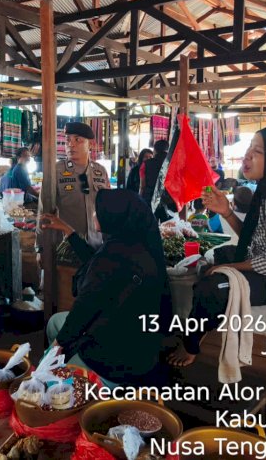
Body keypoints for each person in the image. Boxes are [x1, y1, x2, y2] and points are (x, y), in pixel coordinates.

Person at [167, 125, 266, 367]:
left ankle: (191, 344)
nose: (247, 156)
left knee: (211, 287)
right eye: (249, 148)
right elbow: (256, 240)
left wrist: (231, 269)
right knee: (220, 255)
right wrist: (227, 212)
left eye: (258, 151)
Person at [41, 189, 171, 386]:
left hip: (113, 364)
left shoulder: (111, 259)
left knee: (47, 382)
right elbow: (94, 262)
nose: (94, 214)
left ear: (113, 216)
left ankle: (83, 386)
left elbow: (82, 311)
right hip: (140, 350)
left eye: (97, 210)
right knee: (55, 323)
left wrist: (55, 349)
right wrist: (68, 231)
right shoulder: (136, 246)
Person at [35, 122, 110, 265]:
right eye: (68, 140)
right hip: (66, 248)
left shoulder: (100, 171)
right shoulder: (56, 170)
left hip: (96, 246)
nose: (71, 144)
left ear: (90, 145)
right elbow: (43, 211)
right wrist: (41, 247)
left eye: (77, 140)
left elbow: (107, 209)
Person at [139, 139, 172, 221]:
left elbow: (142, 186)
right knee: (169, 226)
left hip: (149, 200)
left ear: (155, 150)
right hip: (169, 201)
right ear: (167, 150)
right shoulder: (173, 163)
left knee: (151, 225)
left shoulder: (145, 164)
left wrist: (140, 200)